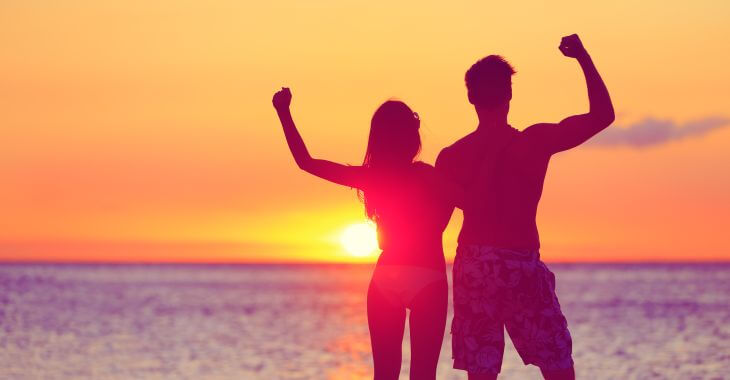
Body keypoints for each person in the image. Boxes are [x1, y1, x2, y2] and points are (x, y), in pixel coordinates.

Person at [436, 34, 615, 380]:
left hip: (474, 264)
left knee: (482, 370)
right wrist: (582, 56)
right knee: (557, 363)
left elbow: (436, 227)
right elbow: (602, 115)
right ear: (510, 95)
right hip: (520, 262)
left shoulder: (452, 156)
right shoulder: (534, 142)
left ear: (470, 97)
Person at [272, 88, 462, 380]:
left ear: (378, 139)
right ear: (413, 138)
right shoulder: (427, 175)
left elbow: (306, 162)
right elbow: (470, 202)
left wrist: (283, 112)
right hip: (429, 275)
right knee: (423, 375)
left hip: (387, 277)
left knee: (384, 375)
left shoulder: (372, 177)